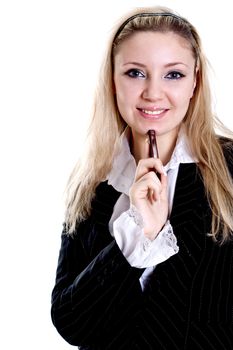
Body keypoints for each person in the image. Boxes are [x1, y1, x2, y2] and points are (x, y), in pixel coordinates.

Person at [51, 5, 233, 349]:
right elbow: (71, 322)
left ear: (195, 81)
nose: (152, 92)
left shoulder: (230, 169)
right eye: (135, 73)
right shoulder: (92, 182)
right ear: (112, 80)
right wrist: (137, 236)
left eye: (173, 75)